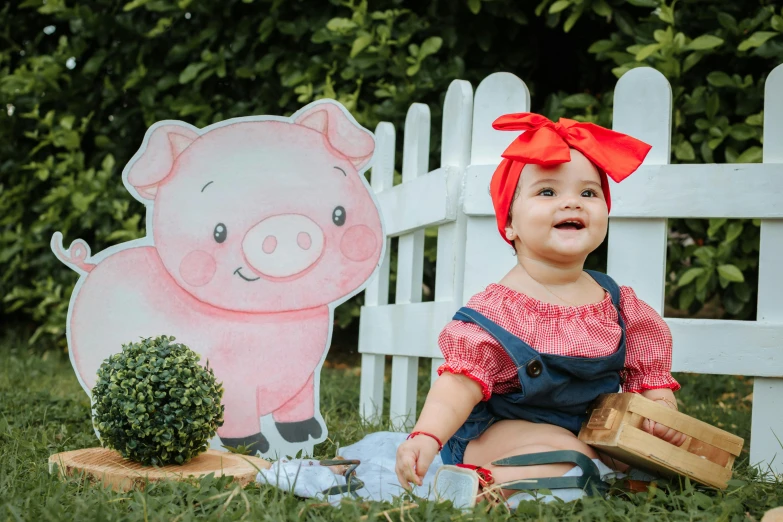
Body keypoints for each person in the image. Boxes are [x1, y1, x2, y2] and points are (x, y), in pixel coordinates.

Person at [394, 112, 686, 505]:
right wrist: (426, 435)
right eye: (547, 192)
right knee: (571, 456)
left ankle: (580, 474)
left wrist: (661, 414)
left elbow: (649, 378)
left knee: (630, 458)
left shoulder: (618, 304)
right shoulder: (500, 309)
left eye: (588, 193)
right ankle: (478, 482)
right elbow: (457, 387)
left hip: (588, 431)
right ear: (509, 222)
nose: (572, 202)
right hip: (495, 434)